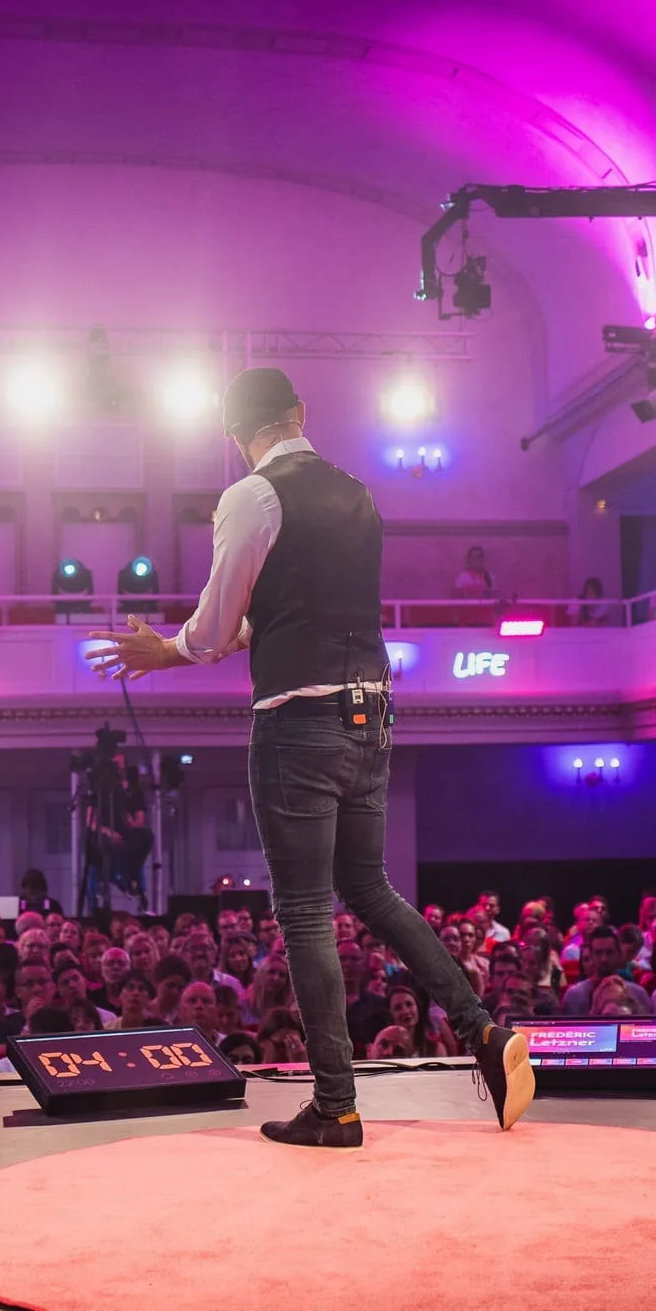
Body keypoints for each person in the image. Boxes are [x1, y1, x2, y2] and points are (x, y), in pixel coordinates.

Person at [90, 366, 530, 1149]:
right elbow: (296, 609)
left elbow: (217, 624)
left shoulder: (251, 496)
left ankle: (336, 1104)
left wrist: (168, 649)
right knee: (369, 885)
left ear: (235, 434)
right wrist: (232, 633)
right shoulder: (359, 493)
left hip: (299, 722)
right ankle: (481, 1028)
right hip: (373, 714)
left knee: (302, 910)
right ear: (299, 413)